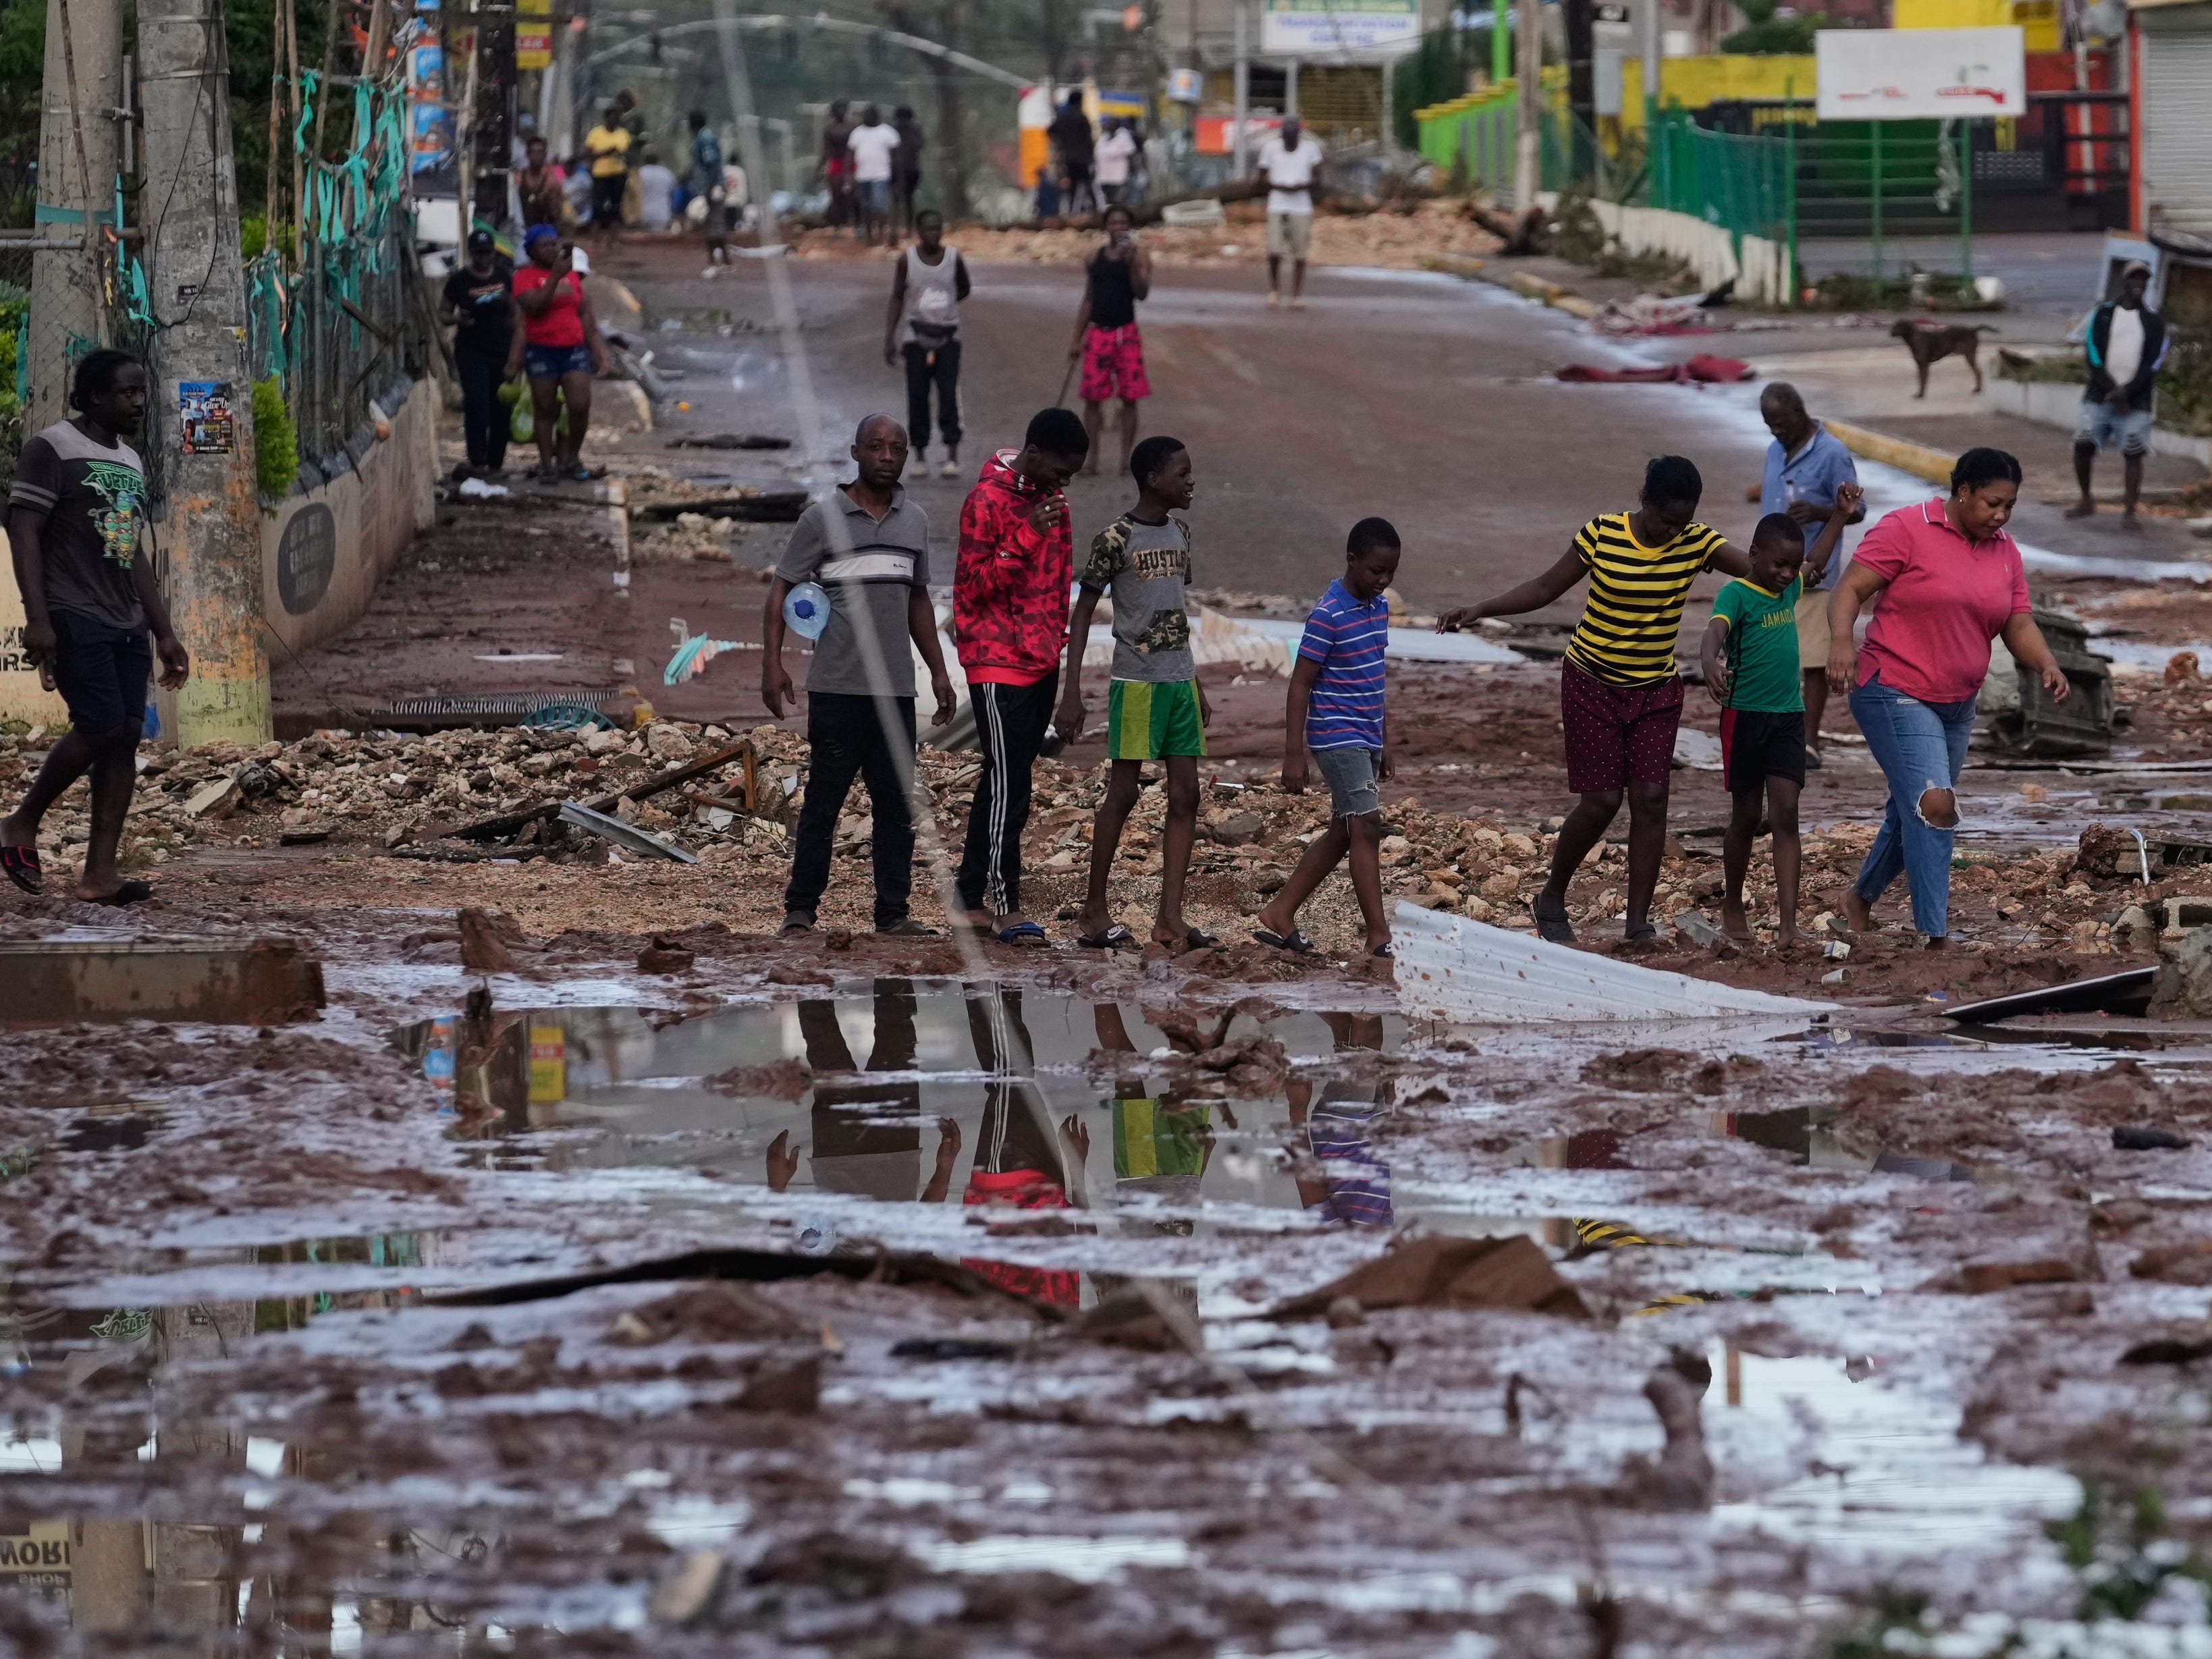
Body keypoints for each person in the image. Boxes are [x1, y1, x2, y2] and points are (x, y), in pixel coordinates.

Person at [1437, 456, 1752, 945]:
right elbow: (1544, 587)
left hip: (1655, 690)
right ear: (1644, 503)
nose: (1673, 531)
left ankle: (1637, 923)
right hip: (1591, 683)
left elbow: (1761, 569)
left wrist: (1803, 558)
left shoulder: (1697, 542)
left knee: (1650, 799)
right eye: (1665, 520)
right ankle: (1551, 897)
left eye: (1682, 522)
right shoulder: (1601, 534)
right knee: (1602, 801)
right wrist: (1480, 609)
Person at [1830, 448, 2069, 948]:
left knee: (1911, 810)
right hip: (1893, 687)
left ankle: (1858, 900)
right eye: (1991, 504)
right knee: (1934, 805)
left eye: (2009, 507)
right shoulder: (1906, 528)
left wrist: (2046, 664)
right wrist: (1839, 644)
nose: (2000, 516)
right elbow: (1848, 590)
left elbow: (2016, 621)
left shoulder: (2003, 550)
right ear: (1962, 492)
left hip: (1957, 703)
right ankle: (1932, 936)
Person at [1, 350, 188, 904]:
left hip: (124, 617)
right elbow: (24, 533)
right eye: (128, 393)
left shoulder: (129, 461)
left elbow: (130, 553)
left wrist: (164, 632)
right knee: (102, 725)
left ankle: (99, 875)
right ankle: (19, 821)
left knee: (126, 735)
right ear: (94, 397)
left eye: (141, 393)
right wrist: (37, 619)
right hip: (72, 610)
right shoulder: (51, 449)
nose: (138, 402)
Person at [764, 414, 954, 937]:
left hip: (894, 689)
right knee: (824, 804)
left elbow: (917, 600)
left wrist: (939, 672)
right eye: (876, 447)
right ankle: (800, 910)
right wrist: (771, 663)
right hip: (837, 687)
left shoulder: (913, 520)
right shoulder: (821, 518)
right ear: (855, 452)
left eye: (897, 448)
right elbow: (780, 590)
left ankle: (892, 915)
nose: (887, 456)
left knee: (895, 806)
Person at [1060, 435, 1215, 953]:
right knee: (1123, 794)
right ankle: (1093, 911)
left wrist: (1197, 684)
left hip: (1178, 683)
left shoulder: (1181, 533)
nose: (1190, 481)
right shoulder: (1115, 538)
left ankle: (1169, 919)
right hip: (1137, 685)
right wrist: (1071, 691)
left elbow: (1174, 614)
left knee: (1185, 795)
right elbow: (1082, 612)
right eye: (1182, 472)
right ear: (1153, 479)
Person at [952, 407, 1090, 945]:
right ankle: (1007, 905)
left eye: (1071, 475)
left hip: (1039, 662)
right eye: (1060, 471)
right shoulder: (984, 501)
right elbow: (972, 589)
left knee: (1003, 780)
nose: (1064, 483)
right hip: (994, 661)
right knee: (1012, 785)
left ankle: (968, 899)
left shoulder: (1055, 502)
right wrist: (1024, 537)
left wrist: (1056, 653)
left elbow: (1059, 585)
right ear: (1033, 455)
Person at [1699, 494, 1859, 947]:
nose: (1788, 575)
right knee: (1746, 817)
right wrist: (1710, 663)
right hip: (1743, 719)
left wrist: (1841, 516)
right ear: (1753, 556)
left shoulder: (1788, 588)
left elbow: (1815, 561)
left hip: (1788, 718)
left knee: (1785, 813)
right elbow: (1714, 632)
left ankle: (1788, 925)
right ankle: (1732, 906)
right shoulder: (1736, 593)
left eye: (1790, 567)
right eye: (1777, 565)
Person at [1253, 518, 1401, 959]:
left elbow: (1372, 679)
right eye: (1375, 571)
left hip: (1364, 734)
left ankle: (1279, 912)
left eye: (1389, 573)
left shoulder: (1379, 608)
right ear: (1351, 560)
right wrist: (1292, 753)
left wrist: (1383, 739)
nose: (1382, 581)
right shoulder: (1327, 614)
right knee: (1366, 826)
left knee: (1343, 830)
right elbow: (1300, 683)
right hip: (1335, 735)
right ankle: (1378, 935)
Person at [1746, 381, 1862, 767]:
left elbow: (1856, 510)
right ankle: (1772, 734)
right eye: (1769, 425)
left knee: (1813, 659)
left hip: (1814, 572)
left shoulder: (1832, 453)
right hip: (1768, 574)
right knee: (1772, 655)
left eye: (1780, 423)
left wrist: (1818, 511)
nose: (1775, 431)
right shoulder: (1774, 451)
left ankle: (1809, 741)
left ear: (1799, 413)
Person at [2069, 259, 2168, 533]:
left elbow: (2155, 362)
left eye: (2144, 279)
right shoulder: (2103, 314)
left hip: (2135, 402)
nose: (2139, 284)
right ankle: (2086, 499)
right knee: (2083, 445)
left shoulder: (2154, 321)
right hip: (2099, 397)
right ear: (2124, 282)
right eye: (2134, 279)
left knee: (2134, 453)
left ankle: (2129, 512)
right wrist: (2110, 388)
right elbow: (2092, 352)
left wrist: (2127, 391)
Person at [504, 224, 608, 482]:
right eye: (545, 245)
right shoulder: (523, 277)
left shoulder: (571, 276)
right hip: (541, 351)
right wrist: (553, 278)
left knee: (580, 405)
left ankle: (572, 458)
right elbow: (534, 308)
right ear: (531, 251)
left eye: (554, 244)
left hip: (573, 349)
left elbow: (584, 314)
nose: (552, 249)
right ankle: (547, 464)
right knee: (545, 409)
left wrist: (598, 353)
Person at [884, 209, 971, 479]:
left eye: (937, 228)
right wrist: (890, 336)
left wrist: (943, 306)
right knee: (917, 397)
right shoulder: (906, 260)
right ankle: (920, 456)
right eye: (927, 229)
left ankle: (952, 456)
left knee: (949, 396)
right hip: (915, 339)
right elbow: (897, 296)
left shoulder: (954, 259)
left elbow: (964, 288)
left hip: (948, 337)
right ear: (918, 232)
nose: (933, 234)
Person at [1069, 205, 1152, 479]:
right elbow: (1088, 299)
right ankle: (1092, 460)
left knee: (1129, 397)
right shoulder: (1094, 257)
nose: (1118, 227)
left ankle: (1126, 460)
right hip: (1098, 334)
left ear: (1129, 226)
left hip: (1126, 334)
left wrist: (1131, 265)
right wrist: (1076, 339)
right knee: (1092, 399)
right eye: (1113, 222)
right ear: (1106, 227)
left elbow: (1142, 293)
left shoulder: (1139, 256)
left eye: (1123, 222)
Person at [437, 228, 518, 478]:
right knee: (477, 403)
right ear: (472, 254)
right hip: (472, 350)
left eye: (488, 252)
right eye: (480, 253)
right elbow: (443, 313)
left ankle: (496, 462)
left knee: (501, 407)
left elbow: (516, 314)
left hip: (501, 350)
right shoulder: (459, 281)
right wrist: (458, 320)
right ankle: (478, 459)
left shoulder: (505, 277)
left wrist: (517, 351)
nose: (485, 258)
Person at [1256, 115, 1324, 309]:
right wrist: (1277, 186)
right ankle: (1275, 291)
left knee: (1300, 253)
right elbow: (1260, 179)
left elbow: (1318, 179)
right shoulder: (1270, 149)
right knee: (1274, 250)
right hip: (1277, 204)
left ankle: (1297, 295)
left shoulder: (1310, 149)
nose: (1289, 141)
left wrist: (1301, 186)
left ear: (1299, 136)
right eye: (1286, 137)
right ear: (1281, 136)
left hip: (1301, 206)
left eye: (1293, 137)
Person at [846, 103, 901, 247]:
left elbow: (895, 155)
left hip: (881, 175)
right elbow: (850, 155)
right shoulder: (857, 133)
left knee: (880, 206)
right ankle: (870, 236)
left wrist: (896, 174)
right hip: (862, 176)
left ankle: (882, 231)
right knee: (865, 207)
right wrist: (849, 175)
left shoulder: (888, 132)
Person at [583, 104, 632, 234]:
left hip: (618, 172)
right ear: (606, 118)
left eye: (616, 118)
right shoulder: (595, 133)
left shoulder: (623, 133)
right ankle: (596, 232)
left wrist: (604, 153)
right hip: (600, 173)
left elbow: (622, 151)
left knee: (616, 204)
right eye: (611, 117)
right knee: (598, 204)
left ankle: (614, 234)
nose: (614, 120)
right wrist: (607, 152)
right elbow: (588, 153)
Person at [1049, 97, 1095, 214]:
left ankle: (1072, 211)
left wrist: (1061, 143)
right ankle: (1094, 209)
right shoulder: (1081, 118)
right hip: (1082, 158)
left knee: (1072, 187)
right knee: (1088, 184)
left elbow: (1050, 131)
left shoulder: (1064, 118)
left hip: (1069, 158)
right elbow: (1089, 139)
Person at [819, 99, 856, 229]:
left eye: (843, 109)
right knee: (836, 195)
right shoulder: (829, 128)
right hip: (836, 162)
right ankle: (837, 224)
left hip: (851, 162)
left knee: (852, 194)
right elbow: (826, 149)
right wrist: (820, 168)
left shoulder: (853, 126)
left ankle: (852, 221)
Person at [517, 135, 567, 229]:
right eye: (533, 152)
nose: (537, 156)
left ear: (545, 155)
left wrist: (547, 201)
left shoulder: (551, 182)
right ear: (527, 154)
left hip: (542, 230)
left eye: (540, 152)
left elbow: (556, 214)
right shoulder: (519, 178)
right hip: (520, 228)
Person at [891, 105, 925, 236]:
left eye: (905, 119)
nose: (903, 121)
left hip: (911, 168)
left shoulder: (915, 130)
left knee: (908, 198)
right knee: (895, 198)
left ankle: (909, 227)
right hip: (895, 169)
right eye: (901, 118)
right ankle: (895, 226)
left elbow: (920, 144)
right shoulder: (893, 131)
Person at [1095, 116, 1139, 210]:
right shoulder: (1103, 138)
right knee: (1108, 202)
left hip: (1119, 177)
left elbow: (1131, 154)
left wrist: (1134, 171)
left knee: (1120, 201)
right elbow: (1097, 154)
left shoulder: (1124, 136)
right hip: (1104, 177)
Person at [634, 145, 677, 232]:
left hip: (643, 216)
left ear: (644, 159)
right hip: (663, 215)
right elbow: (674, 194)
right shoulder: (667, 174)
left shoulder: (639, 174)